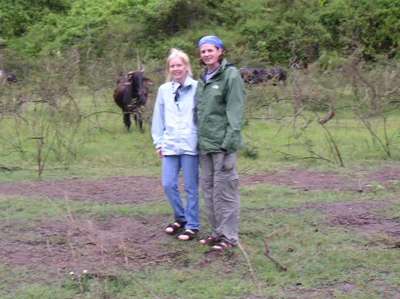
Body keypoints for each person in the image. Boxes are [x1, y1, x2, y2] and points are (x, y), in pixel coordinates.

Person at [195, 35, 245, 251]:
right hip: (205, 146)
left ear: (220, 51)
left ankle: (230, 237)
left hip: (222, 146)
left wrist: (229, 143)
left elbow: (235, 110)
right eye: (203, 51)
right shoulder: (203, 79)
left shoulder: (230, 75)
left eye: (210, 50)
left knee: (226, 191)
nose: (207, 54)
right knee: (209, 190)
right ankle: (217, 232)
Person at [151, 48, 200, 241]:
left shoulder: (197, 87)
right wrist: (158, 143)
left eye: (179, 65)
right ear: (169, 69)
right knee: (168, 184)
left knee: (191, 187)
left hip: (190, 144)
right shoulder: (164, 90)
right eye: (172, 66)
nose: (176, 68)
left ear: (186, 66)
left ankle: (192, 225)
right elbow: (158, 118)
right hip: (170, 144)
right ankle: (180, 217)